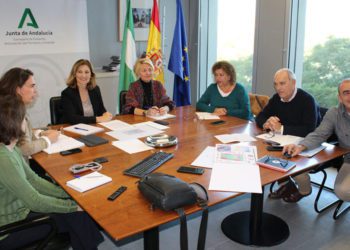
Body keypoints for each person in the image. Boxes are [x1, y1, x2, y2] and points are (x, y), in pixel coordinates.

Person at [0, 96, 103, 249]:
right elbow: (34, 200)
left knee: (75, 214)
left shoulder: (11, 148)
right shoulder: (5, 160)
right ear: (13, 123)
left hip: (19, 213)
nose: (26, 121)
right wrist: (72, 206)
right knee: (77, 215)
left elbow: (33, 179)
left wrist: (65, 193)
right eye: (24, 118)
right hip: (8, 231)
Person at [256, 68, 321, 202]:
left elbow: (310, 129)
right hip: (283, 141)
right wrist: (266, 123)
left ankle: (304, 190)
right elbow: (261, 116)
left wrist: (282, 128)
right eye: (276, 84)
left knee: (288, 162)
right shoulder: (276, 98)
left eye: (282, 83)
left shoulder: (307, 100)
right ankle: (287, 185)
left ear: (293, 82)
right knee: (262, 153)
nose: (278, 88)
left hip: (307, 143)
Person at [284, 79, 350, 202]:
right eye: (346, 93)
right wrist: (300, 146)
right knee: (342, 190)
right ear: (340, 97)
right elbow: (319, 134)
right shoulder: (334, 113)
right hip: (348, 160)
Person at [0, 68, 59, 177]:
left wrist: (40, 133)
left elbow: (24, 136)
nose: (35, 91)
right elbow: (24, 148)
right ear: (18, 90)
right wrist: (48, 139)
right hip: (19, 175)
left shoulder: (12, 108)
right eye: (32, 86)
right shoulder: (11, 113)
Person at [61, 59, 113, 124]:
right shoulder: (67, 93)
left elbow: (101, 109)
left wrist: (105, 114)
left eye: (86, 72)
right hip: (74, 129)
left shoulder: (95, 89)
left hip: (93, 127)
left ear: (91, 74)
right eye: (80, 72)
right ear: (74, 74)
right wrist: (96, 119)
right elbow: (72, 118)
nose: (83, 75)